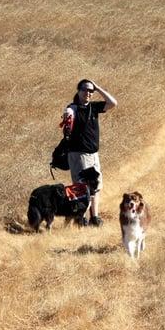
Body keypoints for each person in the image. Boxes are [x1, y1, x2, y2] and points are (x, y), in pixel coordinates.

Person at [65, 79, 117, 227]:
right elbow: (68, 114)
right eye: (85, 90)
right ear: (78, 91)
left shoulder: (93, 107)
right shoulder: (73, 108)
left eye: (90, 91)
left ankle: (95, 217)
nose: (88, 93)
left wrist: (98, 87)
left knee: (96, 186)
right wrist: (68, 120)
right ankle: (79, 218)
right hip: (79, 154)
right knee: (82, 187)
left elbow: (113, 103)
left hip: (93, 154)